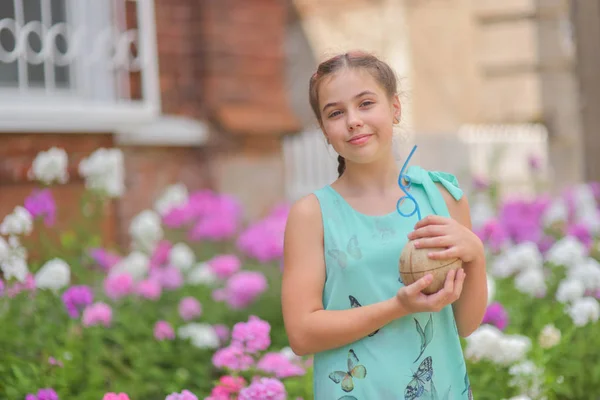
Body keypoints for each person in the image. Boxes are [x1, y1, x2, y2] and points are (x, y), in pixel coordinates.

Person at [281, 51, 487, 400]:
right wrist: (399, 306)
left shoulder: (441, 197)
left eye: (365, 103)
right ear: (325, 131)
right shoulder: (312, 214)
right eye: (335, 113)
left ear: (395, 108)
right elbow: (302, 334)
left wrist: (476, 255)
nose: (353, 120)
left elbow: (465, 324)